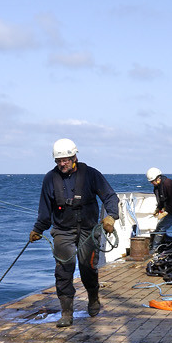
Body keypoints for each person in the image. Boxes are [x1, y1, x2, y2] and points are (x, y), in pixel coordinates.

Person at [28, 138, 120, 328]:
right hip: (63, 231)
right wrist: (38, 229)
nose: (62, 164)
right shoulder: (49, 179)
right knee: (63, 271)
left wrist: (111, 216)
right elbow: (44, 209)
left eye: (66, 160)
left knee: (88, 268)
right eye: (59, 161)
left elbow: (110, 196)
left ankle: (93, 297)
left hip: (88, 230)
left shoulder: (91, 174)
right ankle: (66, 313)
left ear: (74, 157)